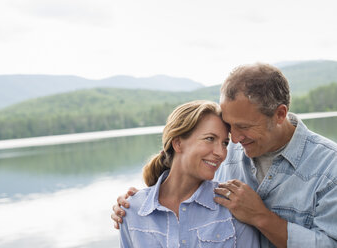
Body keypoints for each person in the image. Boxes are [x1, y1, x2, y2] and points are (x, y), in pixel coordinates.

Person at [112, 63, 337, 248]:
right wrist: (137, 203)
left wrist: (261, 217)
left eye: (244, 126)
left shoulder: (330, 167)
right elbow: (183, 182)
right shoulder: (224, 155)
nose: (235, 140)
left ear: (279, 114)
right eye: (229, 126)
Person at [119, 100, 259, 247]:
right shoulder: (132, 210)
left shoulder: (233, 206)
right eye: (210, 139)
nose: (220, 153)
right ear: (178, 143)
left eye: (225, 143)